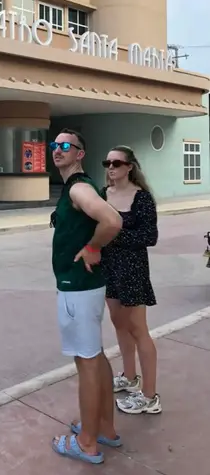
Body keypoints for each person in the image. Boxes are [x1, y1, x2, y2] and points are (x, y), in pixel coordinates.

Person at [50, 129, 123, 466]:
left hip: (78, 287)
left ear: (79, 153)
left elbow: (112, 221)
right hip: (86, 287)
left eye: (65, 146)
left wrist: (93, 247)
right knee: (96, 356)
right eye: (54, 145)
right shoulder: (77, 187)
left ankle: (87, 442)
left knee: (87, 362)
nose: (57, 150)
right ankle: (104, 427)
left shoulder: (78, 188)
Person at [100, 145, 161, 415]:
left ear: (129, 167)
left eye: (116, 163)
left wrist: (113, 234)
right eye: (107, 163)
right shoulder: (102, 195)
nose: (111, 168)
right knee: (119, 324)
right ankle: (129, 376)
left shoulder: (142, 198)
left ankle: (150, 396)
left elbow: (149, 236)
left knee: (138, 329)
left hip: (132, 270)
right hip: (108, 268)